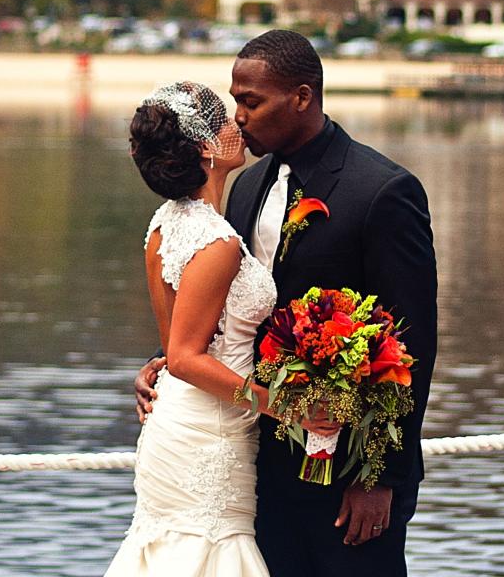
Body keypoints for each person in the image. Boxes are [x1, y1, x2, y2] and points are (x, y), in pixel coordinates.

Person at [134, 31, 438, 577]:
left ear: (301, 97)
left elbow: (414, 346)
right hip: (254, 465)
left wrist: (377, 479)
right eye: (234, 101)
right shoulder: (244, 188)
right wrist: (168, 364)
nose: (238, 116)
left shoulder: (384, 191)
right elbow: (217, 310)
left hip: (348, 473)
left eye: (251, 102)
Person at [107, 81, 338, 576]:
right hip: (205, 437)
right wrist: (290, 409)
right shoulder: (216, 241)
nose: (239, 122)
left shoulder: (164, 222)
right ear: (208, 146)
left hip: (178, 424)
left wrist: (157, 368)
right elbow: (188, 358)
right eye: (225, 118)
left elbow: (173, 351)